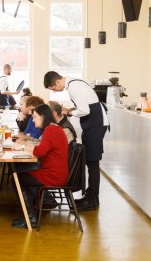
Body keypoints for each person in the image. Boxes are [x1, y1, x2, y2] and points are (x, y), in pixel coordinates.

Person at [44, 71, 109, 212]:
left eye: (53, 89)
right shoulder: (74, 83)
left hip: (95, 124)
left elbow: (84, 110)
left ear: (56, 82)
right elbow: (85, 107)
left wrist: (68, 112)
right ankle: (90, 196)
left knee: (92, 162)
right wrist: (71, 110)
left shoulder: (74, 87)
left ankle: (92, 200)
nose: (54, 92)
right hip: (93, 123)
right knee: (90, 161)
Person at [12, 104, 69, 229]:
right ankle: (40, 205)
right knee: (21, 173)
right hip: (55, 171)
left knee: (17, 179)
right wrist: (24, 146)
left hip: (53, 175)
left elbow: (40, 151)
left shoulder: (51, 130)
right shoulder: (54, 128)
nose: (33, 120)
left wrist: (21, 147)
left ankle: (31, 218)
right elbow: (41, 148)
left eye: (35, 117)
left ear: (43, 116)